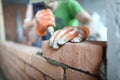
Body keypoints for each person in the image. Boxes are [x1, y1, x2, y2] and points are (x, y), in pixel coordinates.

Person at [23, 0, 96, 49]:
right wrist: (38, 27)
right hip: (54, 50)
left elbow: (90, 21)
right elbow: (33, 39)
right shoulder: (42, 13)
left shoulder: (69, 4)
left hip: (72, 48)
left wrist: (83, 31)